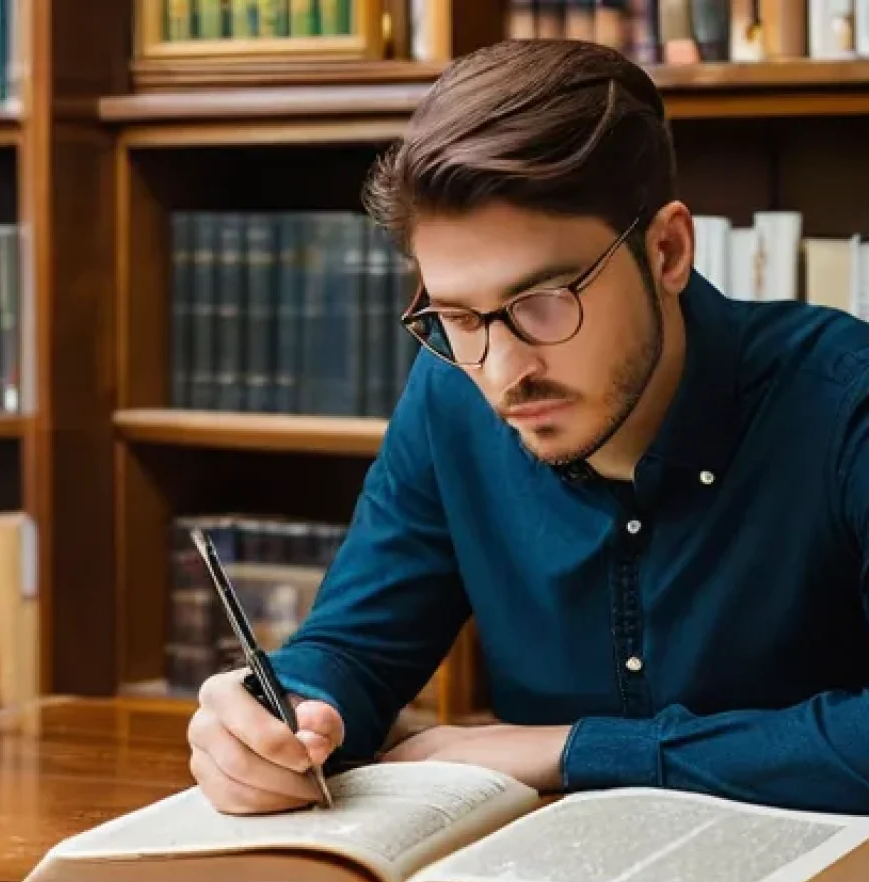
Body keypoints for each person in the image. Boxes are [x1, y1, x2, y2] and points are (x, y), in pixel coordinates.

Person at [187, 37, 869, 817]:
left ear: (669, 251)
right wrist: (282, 718)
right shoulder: (450, 390)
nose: (505, 370)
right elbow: (354, 649)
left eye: (545, 302)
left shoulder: (845, 405)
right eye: (455, 315)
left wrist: (571, 748)